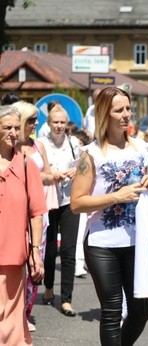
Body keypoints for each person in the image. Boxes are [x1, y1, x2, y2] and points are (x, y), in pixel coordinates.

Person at [70, 86, 148, 345]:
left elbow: (141, 184)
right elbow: (76, 203)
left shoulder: (141, 149)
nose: (126, 115)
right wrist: (115, 197)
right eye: (118, 110)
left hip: (137, 241)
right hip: (102, 243)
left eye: (128, 109)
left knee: (141, 311)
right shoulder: (91, 153)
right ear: (104, 115)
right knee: (111, 311)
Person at [0, 105, 46, 345]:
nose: (13, 132)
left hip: (13, 258)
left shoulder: (27, 166)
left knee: (10, 327)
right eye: (7, 127)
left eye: (17, 127)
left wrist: (36, 252)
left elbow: (37, 213)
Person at [13, 100, 55, 332]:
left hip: (39, 212)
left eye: (36, 119)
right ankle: (12, 311)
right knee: (16, 264)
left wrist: (45, 176)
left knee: (35, 264)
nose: (36, 123)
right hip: (15, 213)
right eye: (30, 120)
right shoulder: (9, 146)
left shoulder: (38, 145)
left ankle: (26, 312)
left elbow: (47, 175)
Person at [38, 103, 81, 316]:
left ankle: (66, 299)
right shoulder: (41, 144)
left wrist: (75, 171)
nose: (59, 126)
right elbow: (38, 170)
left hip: (69, 200)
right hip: (49, 201)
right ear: (49, 123)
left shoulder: (74, 142)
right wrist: (53, 172)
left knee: (68, 251)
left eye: (62, 122)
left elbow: (82, 166)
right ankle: (48, 288)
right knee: (50, 250)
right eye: (55, 122)